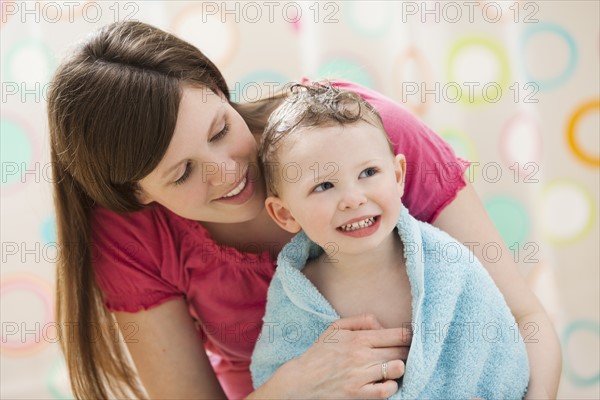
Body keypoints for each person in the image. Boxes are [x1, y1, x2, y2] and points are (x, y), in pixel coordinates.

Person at [47, 20, 560, 399]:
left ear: (222, 91)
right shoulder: (131, 232)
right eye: (182, 173)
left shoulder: (358, 138)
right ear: (136, 193)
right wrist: (292, 387)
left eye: (221, 129)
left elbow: (524, 318)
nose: (227, 172)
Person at [250, 83, 530, 398]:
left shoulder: (448, 266)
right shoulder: (295, 296)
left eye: (368, 172)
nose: (353, 199)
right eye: (324, 185)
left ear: (398, 176)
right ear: (285, 214)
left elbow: (498, 360)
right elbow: (276, 377)